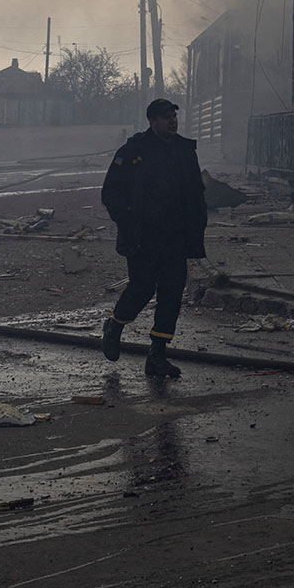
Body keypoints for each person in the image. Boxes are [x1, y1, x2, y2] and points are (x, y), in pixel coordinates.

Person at [99, 97, 207, 378]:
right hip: (144, 237)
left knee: (172, 294)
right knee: (142, 288)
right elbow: (110, 192)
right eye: (165, 117)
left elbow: (196, 192)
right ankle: (114, 325)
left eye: (173, 116)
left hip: (175, 236)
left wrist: (196, 228)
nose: (172, 121)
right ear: (152, 121)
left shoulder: (184, 150)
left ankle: (157, 355)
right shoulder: (134, 150)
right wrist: (128, 219)